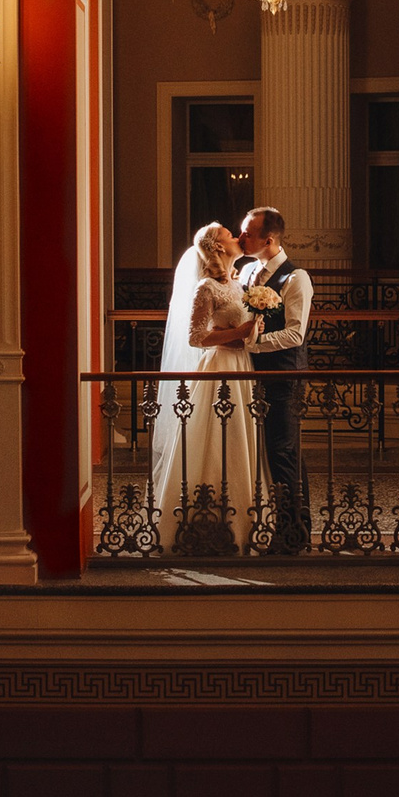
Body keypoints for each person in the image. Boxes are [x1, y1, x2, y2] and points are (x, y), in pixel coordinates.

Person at [148, 222, 264, 553]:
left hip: (242, 365)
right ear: (217, 247)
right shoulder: (206, 288)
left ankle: (242, 521)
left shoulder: (240, 284)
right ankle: (200, 521)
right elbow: (196, 337)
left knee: (239, 437)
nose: (237, 237)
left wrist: (253, 330)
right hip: (217, 368)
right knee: (211, 440)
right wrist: (237, 333)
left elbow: (246, 328)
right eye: (230, 234)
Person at [235, 206, 313, 553]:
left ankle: (294, 533)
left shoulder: (296, 278)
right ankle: (283, 524)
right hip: (252, 376)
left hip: (284, 375)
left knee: (284, 450)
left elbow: (296, 334)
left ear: (269, 239)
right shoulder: (247, 271)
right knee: (269, 451)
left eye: (248, 233)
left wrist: (254, 343)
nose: (242, 238)